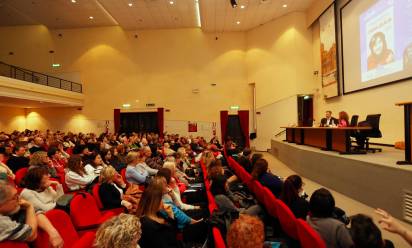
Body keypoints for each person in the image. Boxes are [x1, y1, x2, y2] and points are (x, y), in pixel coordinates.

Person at [0, 180, 63, 247]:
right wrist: (30, 207)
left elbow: (35, 213)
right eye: (15, 197)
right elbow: (31, 235)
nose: (19, 199)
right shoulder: (2, 222)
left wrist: (53, 232)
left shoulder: (10, 206)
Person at [136, 178, 179, 248]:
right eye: (160, 199)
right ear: (153, 203)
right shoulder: (146, 223)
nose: (162, 202)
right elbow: (163, 243)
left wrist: (171, 216)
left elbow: (175, 232)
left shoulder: (158, 213)